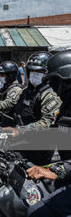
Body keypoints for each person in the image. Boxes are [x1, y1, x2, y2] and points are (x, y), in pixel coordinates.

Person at [26, 50, 71, 217]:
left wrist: (55, 170)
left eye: (54, 81)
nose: (51, 86)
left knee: (37, 212)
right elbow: (55, 132)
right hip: (67, 176)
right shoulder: (66, 106)